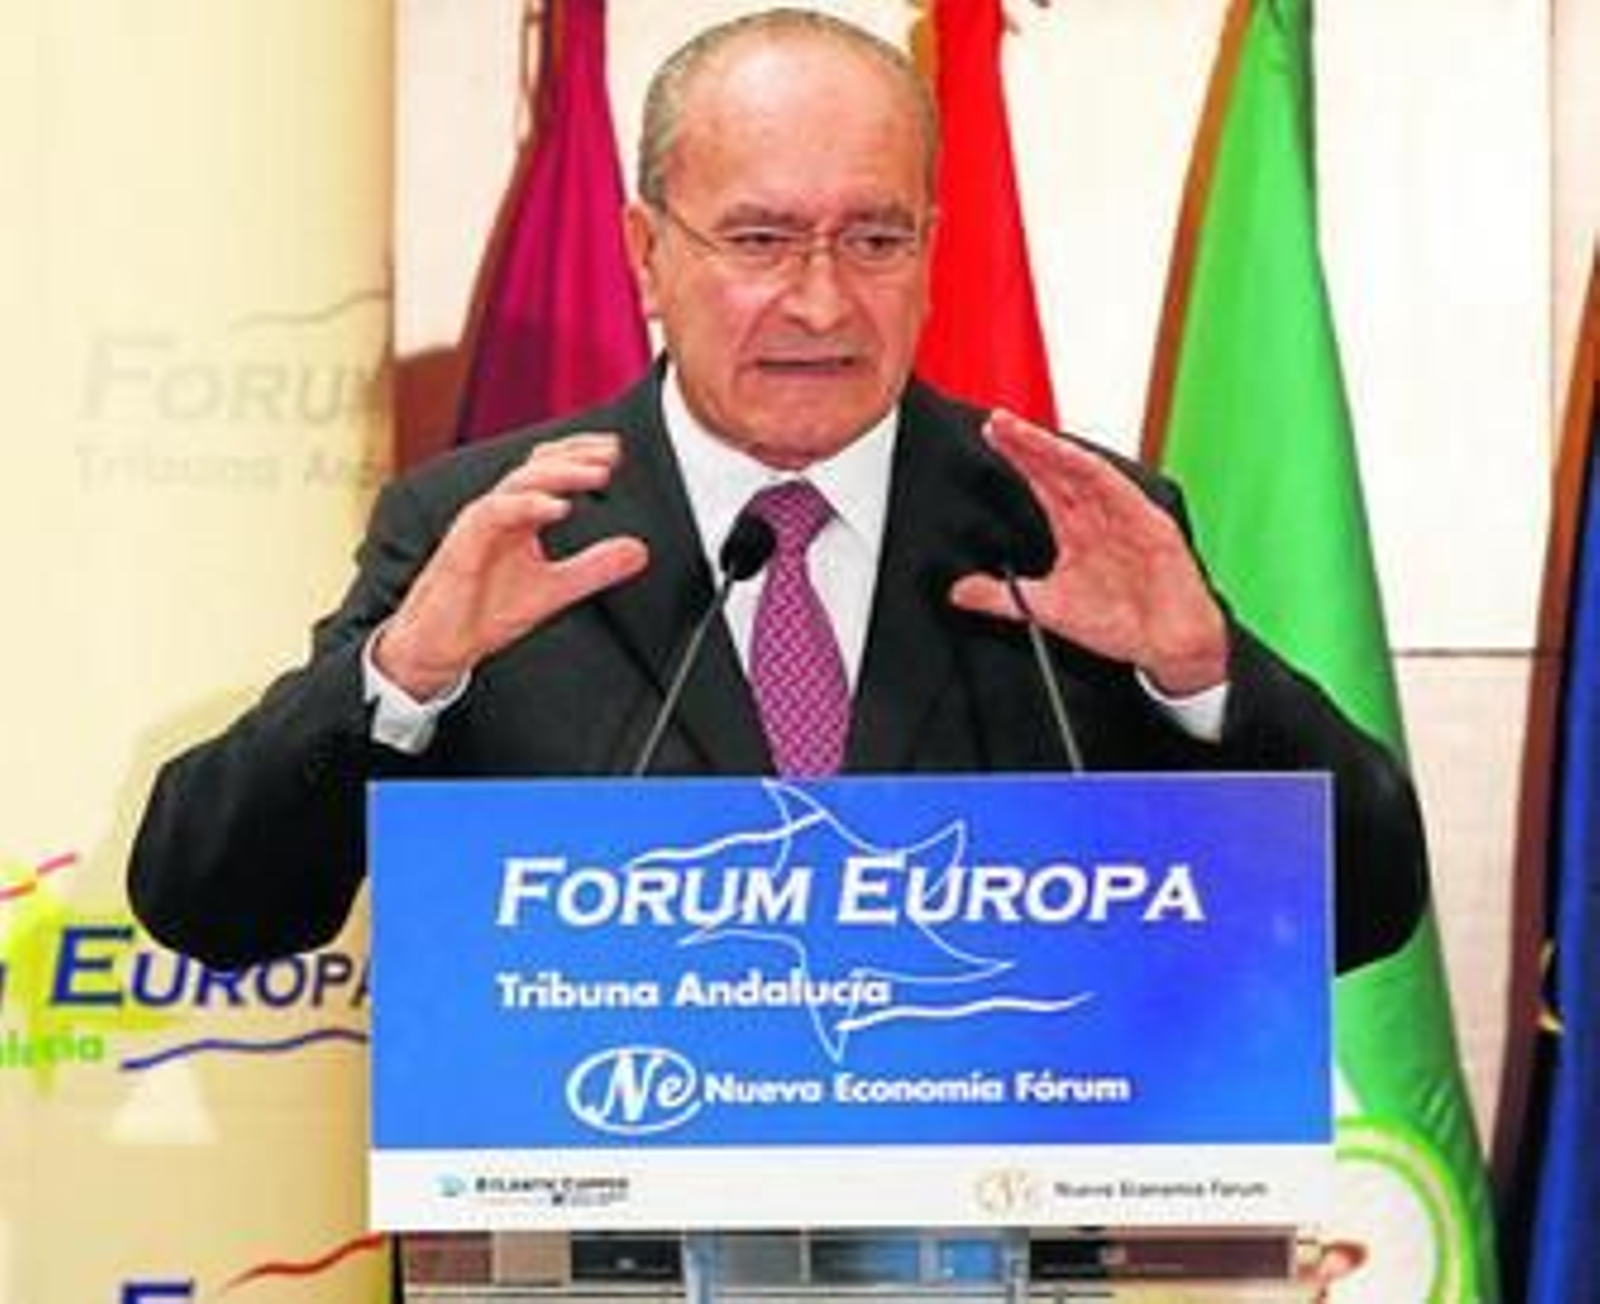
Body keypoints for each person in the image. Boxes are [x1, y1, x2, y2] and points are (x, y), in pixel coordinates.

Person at [128, 7, 1424, 977]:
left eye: (875, 238)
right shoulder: (491, 530)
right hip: (596, 1234)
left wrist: (1200, 676)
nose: (820, 300)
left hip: (981, 1225)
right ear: (649, 253)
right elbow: (212, 907)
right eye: (759, 239)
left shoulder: (1059, 528)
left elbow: (1361, 915)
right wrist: (403, 677)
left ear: (930, 249)